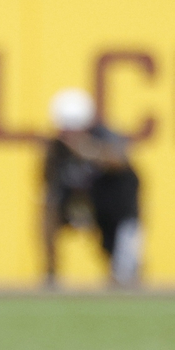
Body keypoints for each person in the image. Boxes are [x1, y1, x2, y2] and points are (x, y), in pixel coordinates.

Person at [43, 88, 143, 287]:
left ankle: (124, 274)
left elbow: (119, 161)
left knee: (124, 274)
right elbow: (48, 181)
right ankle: (51, 274)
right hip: (78, 204)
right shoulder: (56, 148)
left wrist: (88, 150)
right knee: (47, 208)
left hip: (114, 209)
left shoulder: (104, 136)